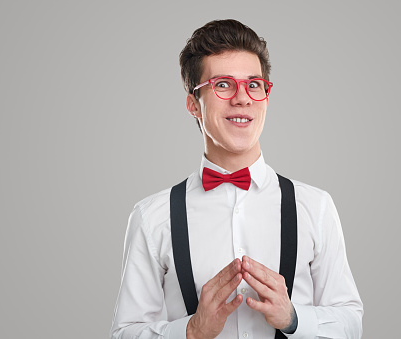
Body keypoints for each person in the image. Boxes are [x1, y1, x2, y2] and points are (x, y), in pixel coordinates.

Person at [110, 19, 363, 339]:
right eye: (223, 84)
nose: (242, 98)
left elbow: (351, 322)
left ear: (266, 98)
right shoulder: (151, 217)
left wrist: (294, 318)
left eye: (254, 85)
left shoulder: (315, 206)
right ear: (193, 105)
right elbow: (124, 333)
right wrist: (191, 330)